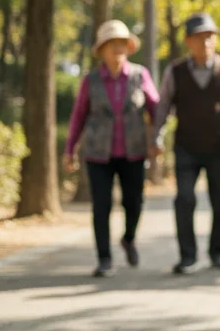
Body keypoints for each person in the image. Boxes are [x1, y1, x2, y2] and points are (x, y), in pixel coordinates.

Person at [153, 13, 220, 274]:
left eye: (210, 37)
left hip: (219, 148)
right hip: (186, 147)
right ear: (188, 41)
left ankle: (217, 253)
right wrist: (157, 137)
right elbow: (163, 106)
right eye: (200, 37)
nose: (206, 42)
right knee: (184, 199)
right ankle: (188, 256)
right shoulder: (175, 71)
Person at [63, 20, 161, 278]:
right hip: (98, 153)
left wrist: (157, 139)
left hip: (134, 151)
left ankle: (128, 239)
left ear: (128, 48)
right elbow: (78, 116)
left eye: (122, 44)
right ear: (102, 49)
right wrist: (69, 149)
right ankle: (104, 258)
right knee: (101, 206)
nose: (118, 49)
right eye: (112, 44)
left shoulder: (140, 76)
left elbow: (156, 108)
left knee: (134, 202)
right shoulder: (91, 81)